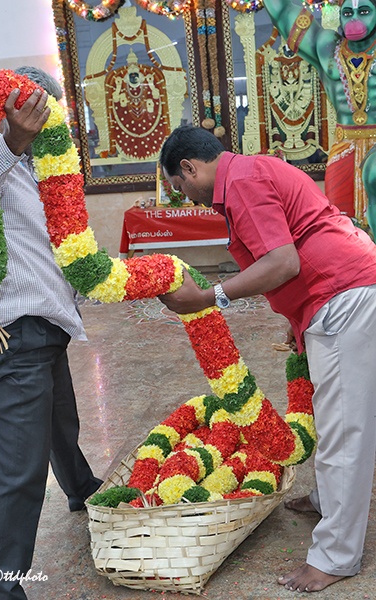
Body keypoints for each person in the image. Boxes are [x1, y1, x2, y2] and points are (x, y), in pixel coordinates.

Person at [158, 124, 376, 593]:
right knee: (330, 413)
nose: (189, 198)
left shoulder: (240, 182)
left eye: (181, 187)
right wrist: (296, 317)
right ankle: (328, 499)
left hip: (342, 294)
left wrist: (208, 297)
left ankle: (336, 556)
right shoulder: (250, 170)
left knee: (343, 430)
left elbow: (283, 262)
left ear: (190, 167)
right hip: (336, 293)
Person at [0, 66, 102, 600]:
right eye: (36, 107)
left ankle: (79, 487)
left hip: (44, 324)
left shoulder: (38, 163)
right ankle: (0, 589)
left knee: (60, 415)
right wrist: (11, 141)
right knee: (21, 468)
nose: (48, 119)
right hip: (13, 328)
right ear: (11, 105)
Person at [262, 0, 376, 235]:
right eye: (348, 12)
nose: (355, 18)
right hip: (344, 148)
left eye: (364, 11)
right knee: (341, 228)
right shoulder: (327, 47)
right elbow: (282, 12)